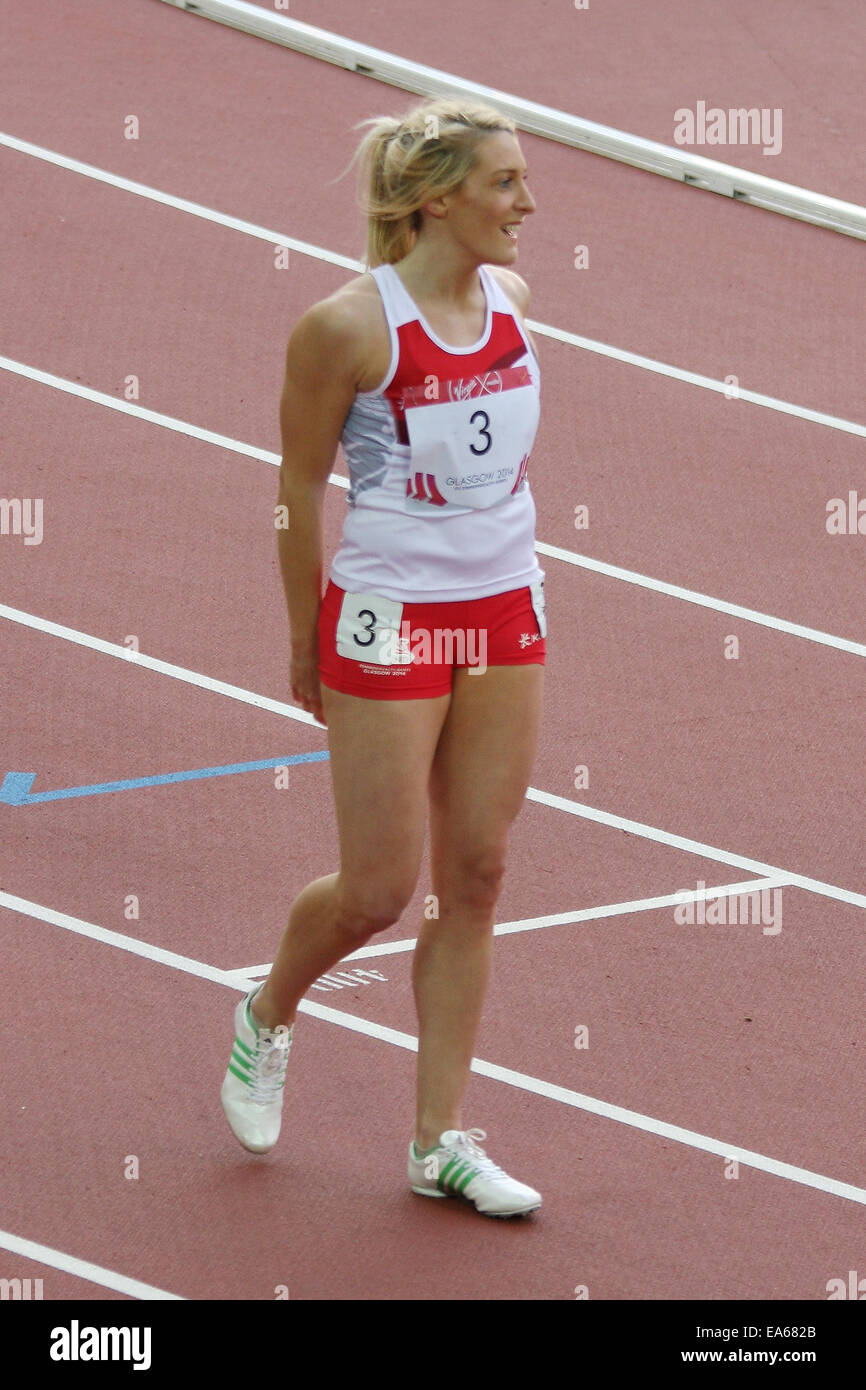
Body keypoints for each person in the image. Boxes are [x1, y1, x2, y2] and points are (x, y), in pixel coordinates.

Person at [221, 97, 547, 1218]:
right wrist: (304, 631)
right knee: (375, 888)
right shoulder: (347, 328)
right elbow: (294, 488)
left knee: (478, 875)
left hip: (503, 614)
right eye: (504, 183)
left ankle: (437, 1140)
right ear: (436, 198)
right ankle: (266, 1013)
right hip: (391, 617)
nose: (526, 203)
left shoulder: (509, 302)